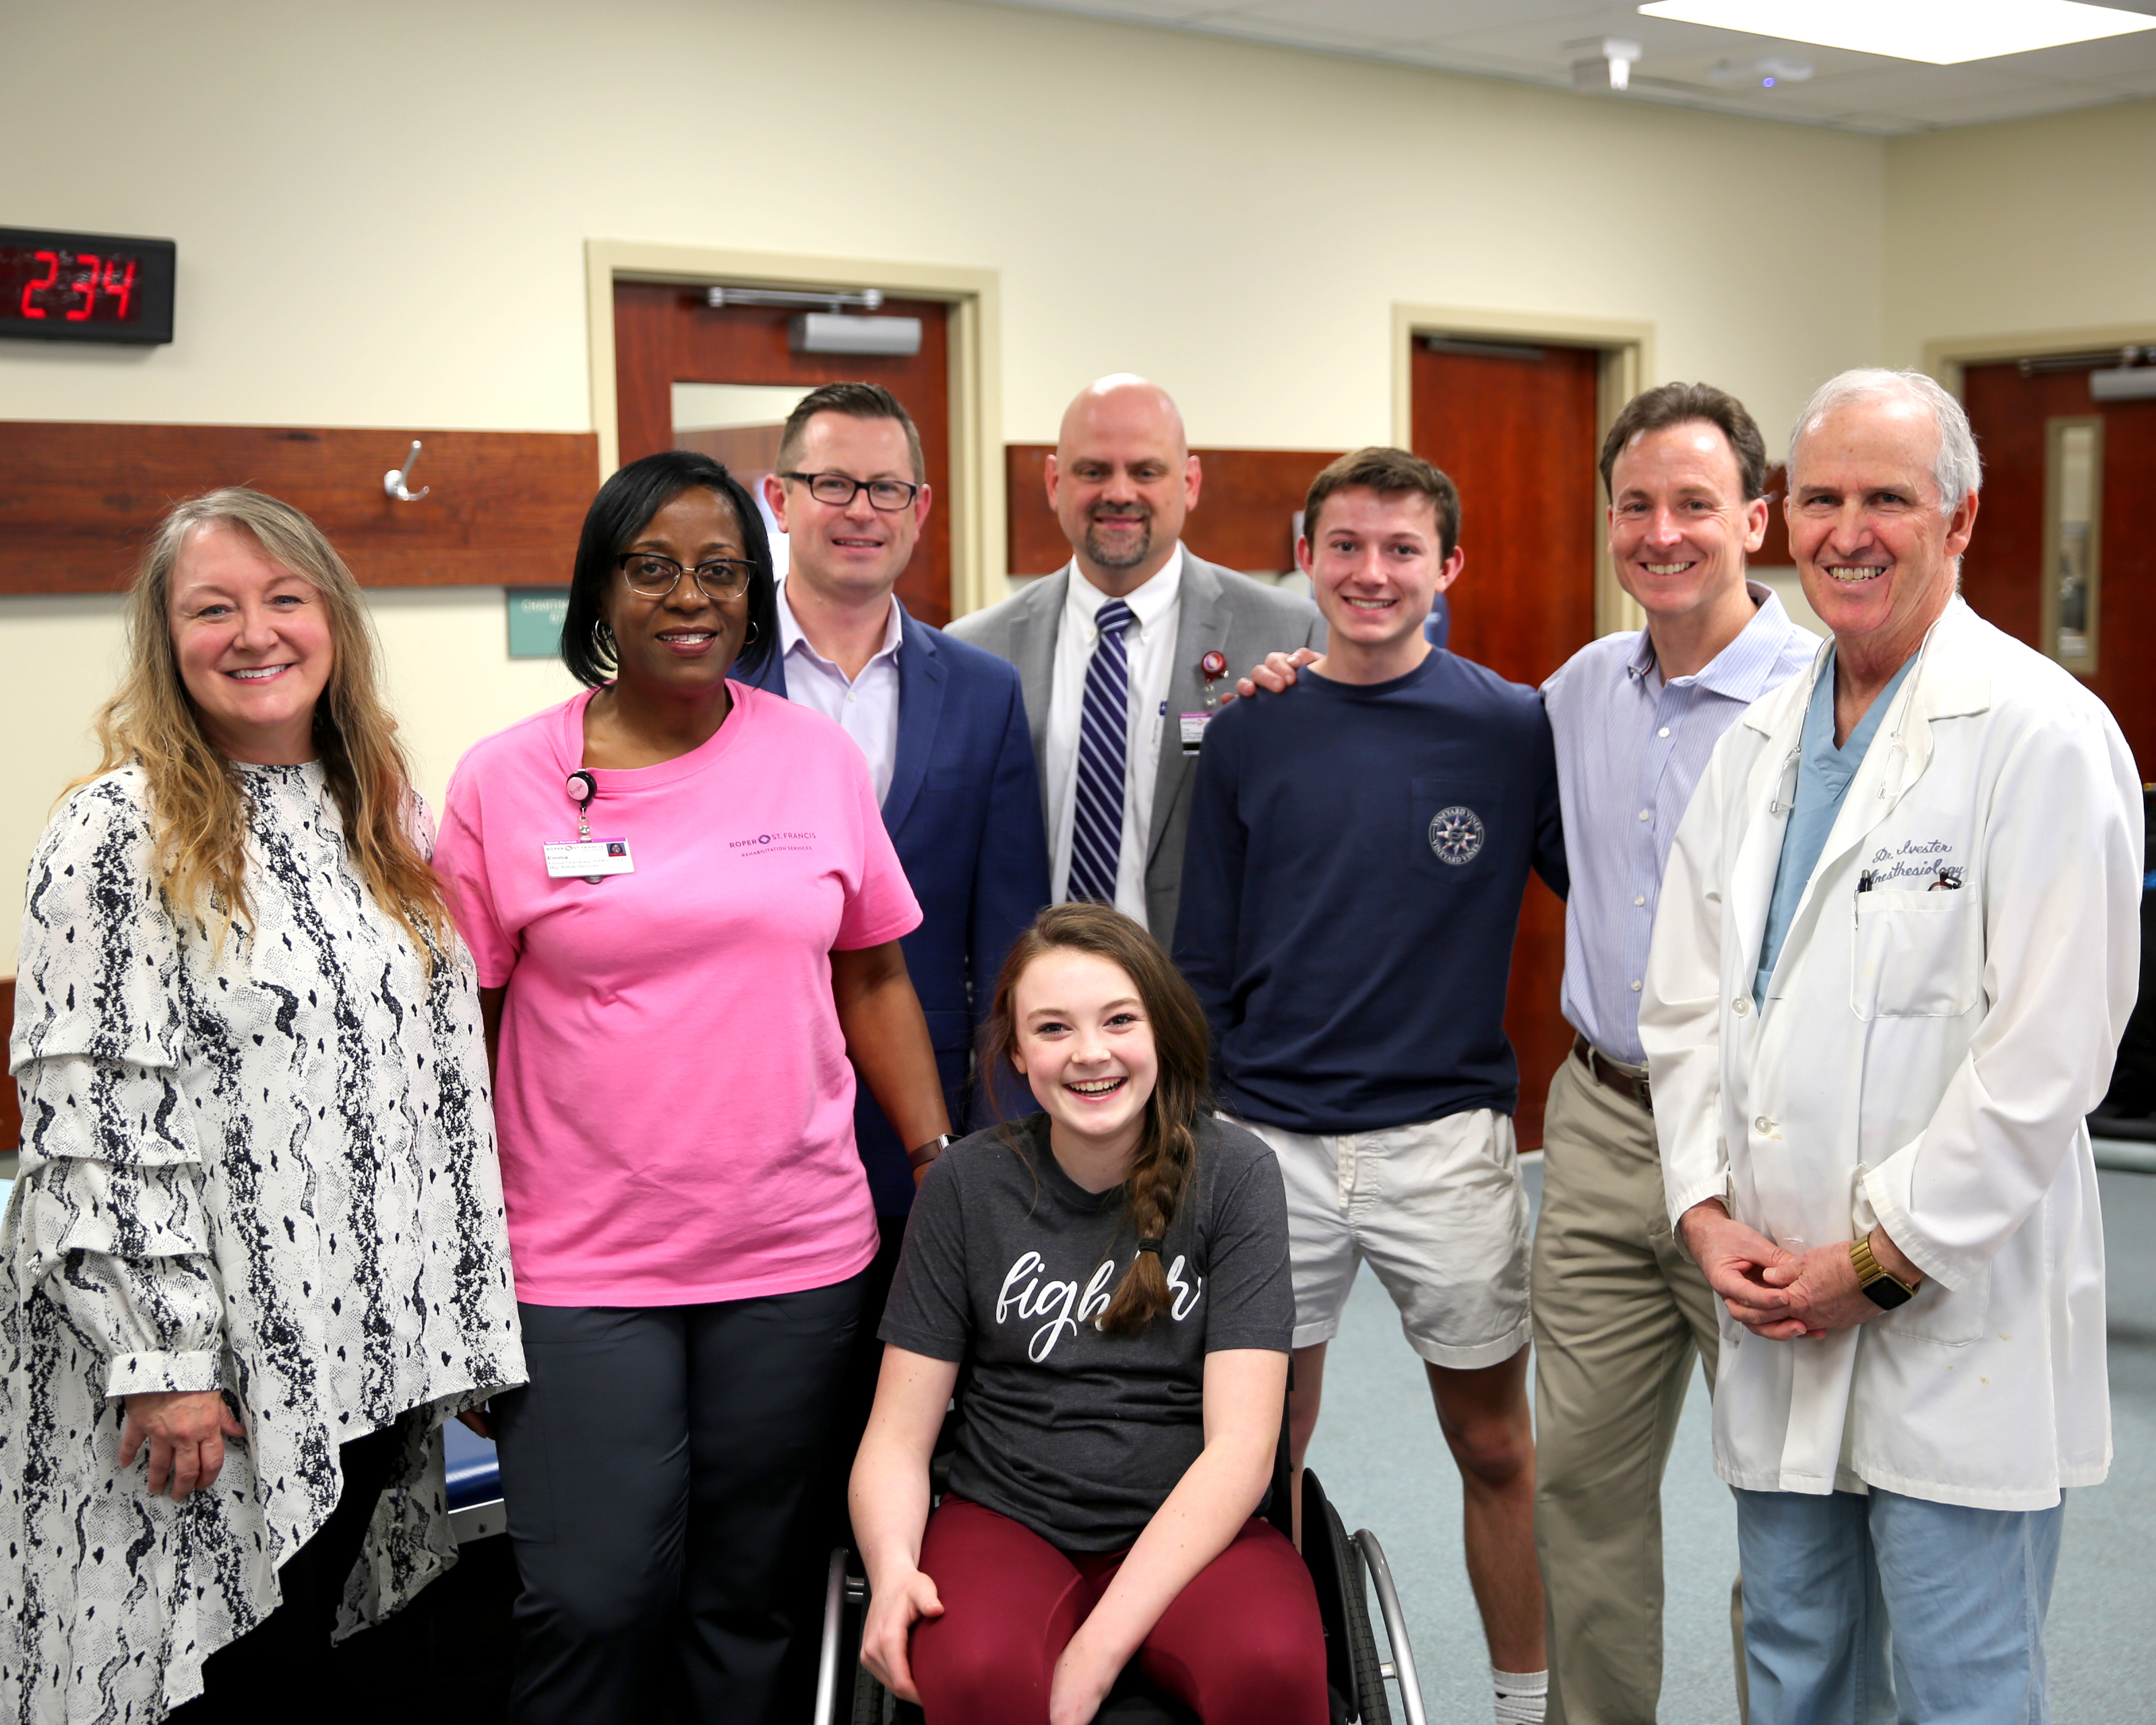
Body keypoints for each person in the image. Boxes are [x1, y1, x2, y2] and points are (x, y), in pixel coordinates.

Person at [1642, 369, 2142, 1725]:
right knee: (1795, 1667)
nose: (1848, 531)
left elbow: (2049, 1056)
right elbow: (1685, 1007)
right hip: (1770, 1296)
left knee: (1961, 1686)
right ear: (1780, 517)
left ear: (1960, 516)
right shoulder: (1757, 737)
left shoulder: (2037, 732)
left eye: (1888, 499)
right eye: (1822, 498)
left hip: (1945, 1309)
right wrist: (1698, 1210)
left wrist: (1881, 1258)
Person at [432, 450, 954, 1723]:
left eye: (720, 570)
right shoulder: (503, 780)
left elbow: (872, 975)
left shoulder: (814, 762)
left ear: (754, 593)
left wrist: (940, 1159)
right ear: (599, 593)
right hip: (575, 1261)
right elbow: (466, 1026)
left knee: (752, 1595)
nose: (688, 596)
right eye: (651, 567)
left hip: (790, 1250)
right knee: (595, 1595)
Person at [0, 488, 524, 1722]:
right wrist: (163, 1357)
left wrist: (462, 1318)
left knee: (310, 1670)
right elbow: (94, 1116)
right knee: (201, 1678)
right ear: (164, 638)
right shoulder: (116, 833)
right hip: (199, 1380)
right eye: (213, 608)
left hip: (360, 1360)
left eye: (285, 599)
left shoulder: (379, 812)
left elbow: (436, 1080)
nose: (255, 633)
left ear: (332, 620)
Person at [1176, 447, 1567, 1725]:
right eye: (1343, 546)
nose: (1370, 573)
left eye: (1401, 550)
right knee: (1258, 1451)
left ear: (1446, 568)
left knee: (1493, 1445)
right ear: (1304, 555)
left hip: (1443, 1144)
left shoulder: (1511, 728)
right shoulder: (1248, 732)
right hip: (1270, 1142)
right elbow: (1203, 955)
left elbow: (1615, 908)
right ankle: (1287, 1687)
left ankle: (1520, 1704)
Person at [851, 902, 1325, 1725]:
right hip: (1006, 1518)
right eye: (1053, 1028)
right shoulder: (967, 1186)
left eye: (1117, 1020)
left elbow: (1245, 1450)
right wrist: (893, 1568)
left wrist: (1092, 1657)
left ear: (1161, 1032)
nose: (1090, 1053)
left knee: (1272, 1668)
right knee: (974, 1672)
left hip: (1196, 1524)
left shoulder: (1236, 1173)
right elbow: (895, 1436)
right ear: (1018, 1052)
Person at [1533, 383, 1814, 1725]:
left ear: (1754, 517)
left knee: (1789, 1487)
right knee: (1579, 1480)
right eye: (1636, 504)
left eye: (1696, 503)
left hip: (1764, 1144)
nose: (1663, 531)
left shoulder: (1826, 699)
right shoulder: (1582, 687)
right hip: (1597, 1124)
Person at [947, 375, 1324, 947]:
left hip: (1209, 1013)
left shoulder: (1289, 634)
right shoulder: (975, 650)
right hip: (1038, 1012)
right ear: (1053, 482)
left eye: (1146, 471)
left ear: (1190, 483)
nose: (1118, 493)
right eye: (1092, 471)